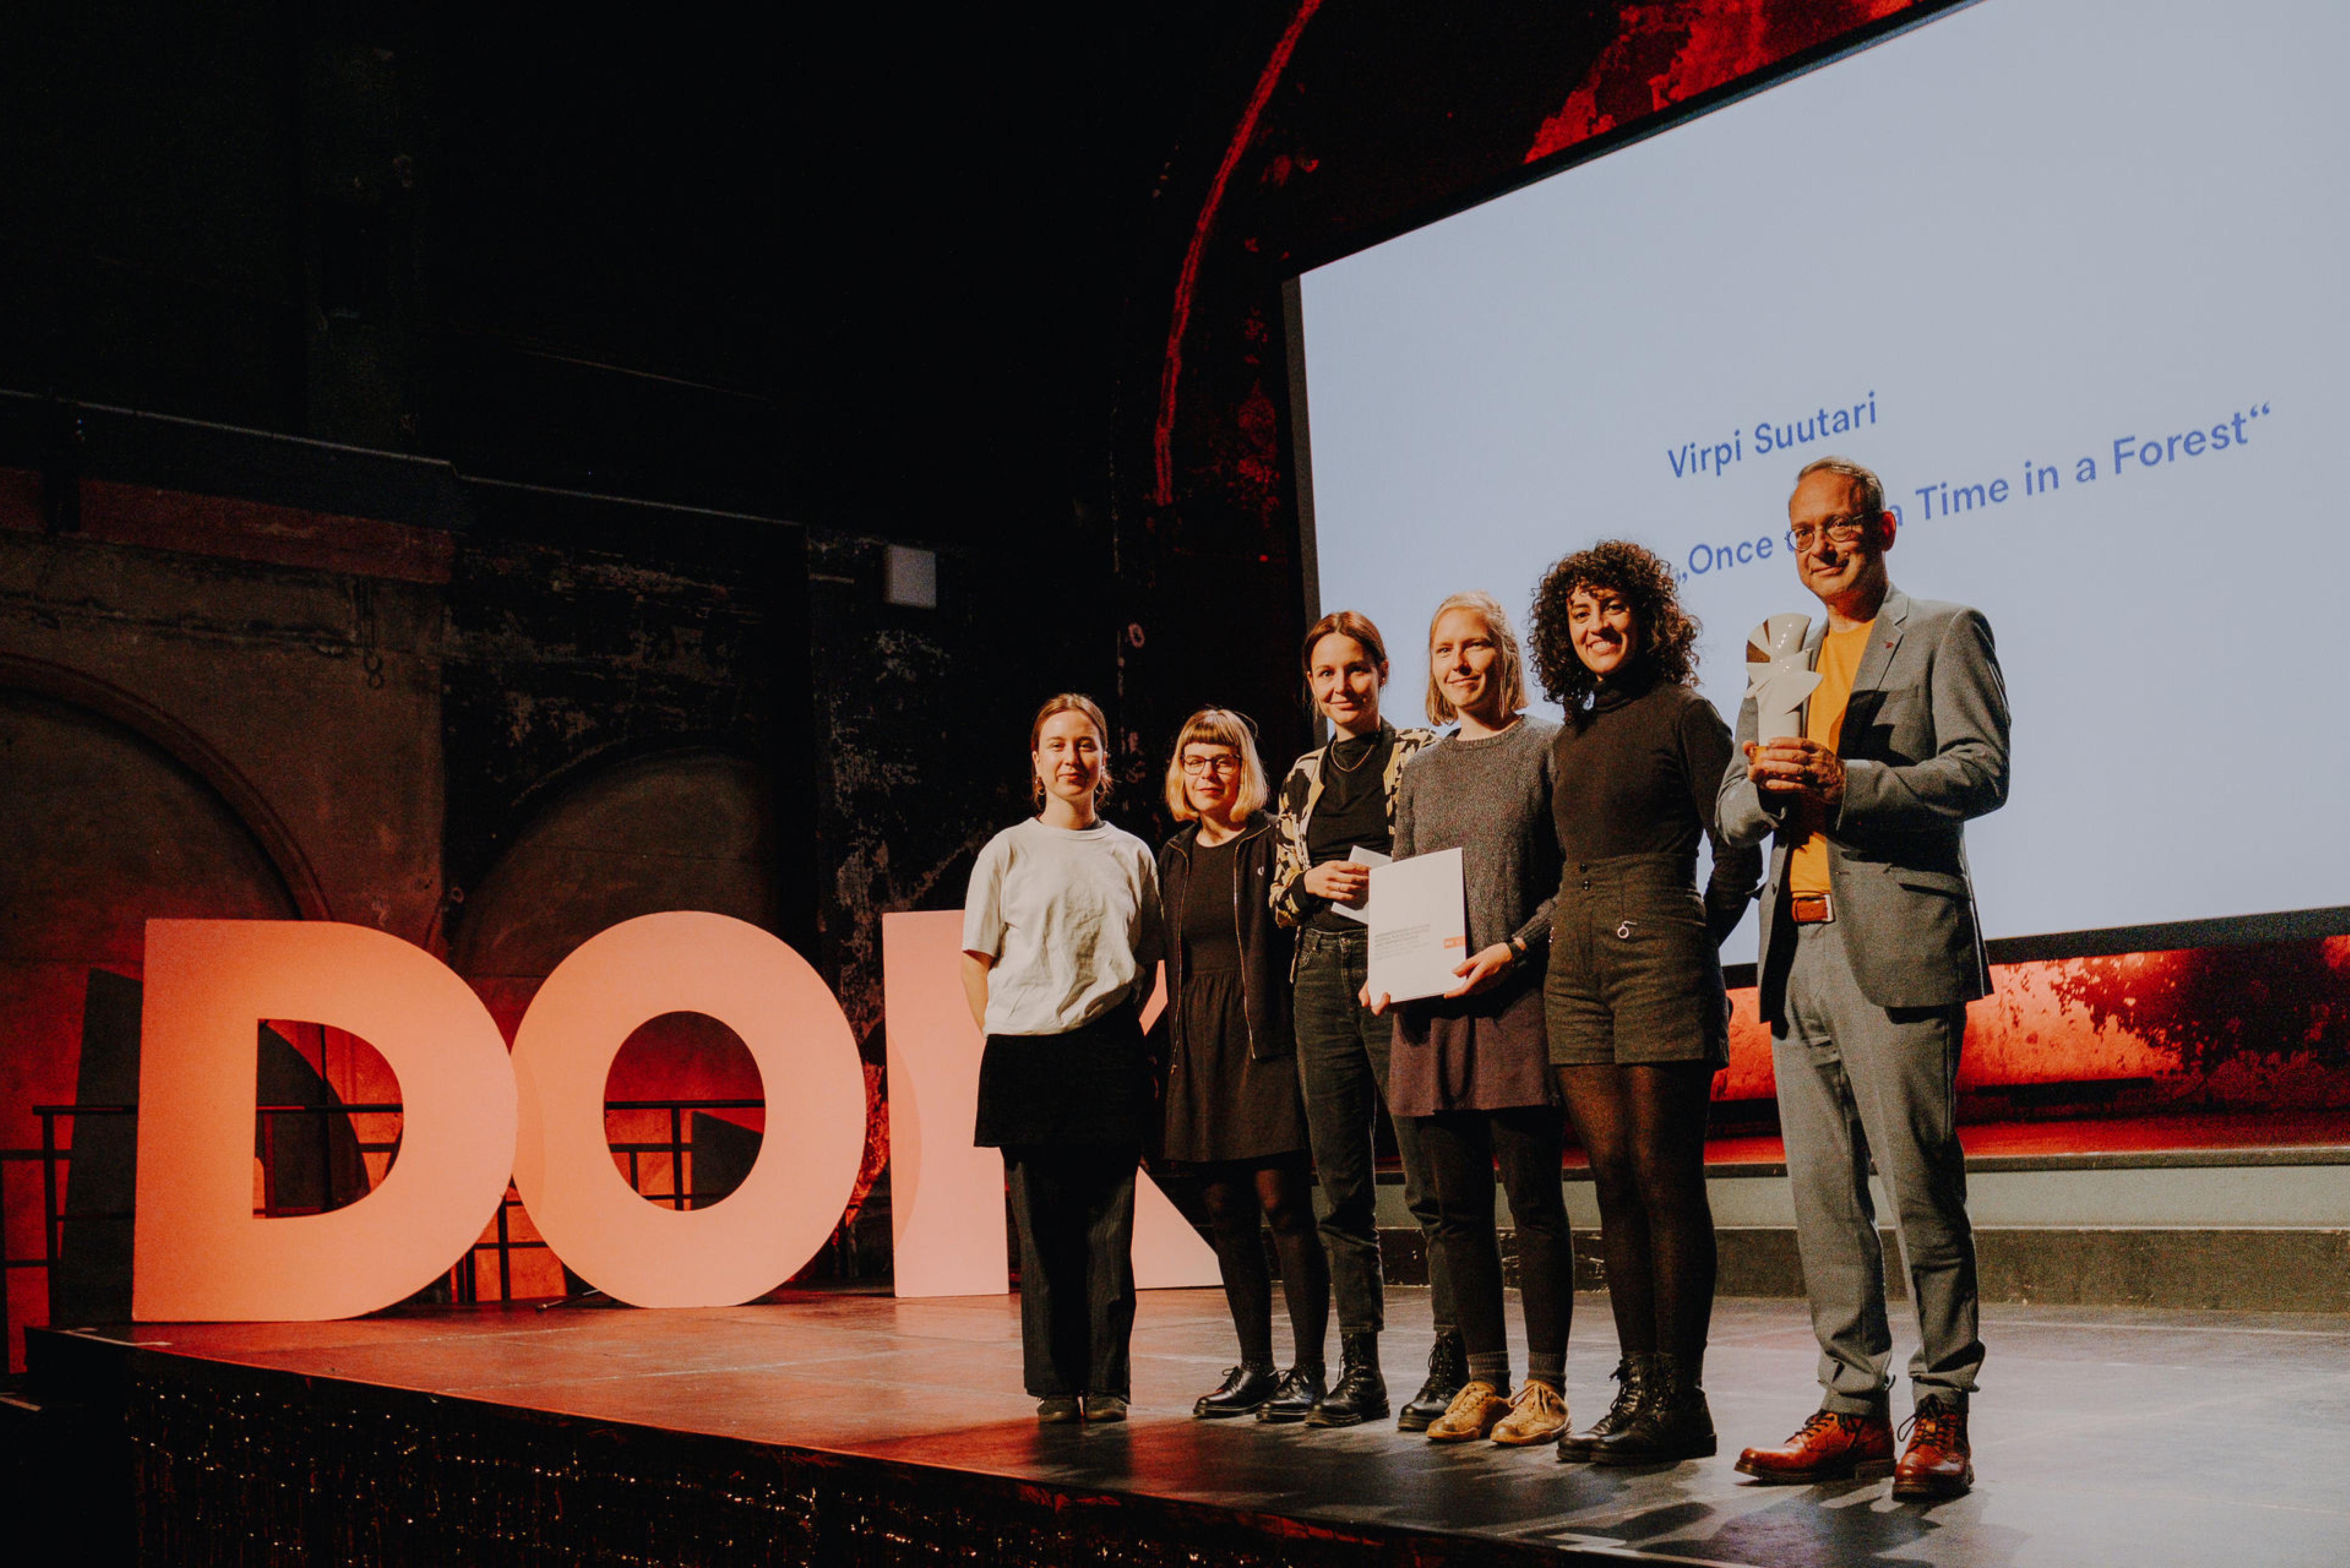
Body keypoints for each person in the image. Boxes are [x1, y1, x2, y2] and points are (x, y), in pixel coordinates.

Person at [1719, 456, 2009, 1500]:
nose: (1819, 547)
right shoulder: (1776, 651)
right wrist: (1757, 791)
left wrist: (1856, 783)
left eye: (1837, 526)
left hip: (1893, 942)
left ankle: (1942, 1406)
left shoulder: (1941, 629)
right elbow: (1726, 809)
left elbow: (1982, 770)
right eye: (1799, 533)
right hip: (1795, 951)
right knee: (1823, 1198)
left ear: (1882, 527)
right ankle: (1851, 1409)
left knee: (1921, 1189)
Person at [1527, 541, 1760, 1466]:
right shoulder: (1570, 736)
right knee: (1612, 1178)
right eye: (1580, 615)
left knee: (1666, 1178)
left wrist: (1704, 928)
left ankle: (1682, 1396)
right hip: (1574, 959)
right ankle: (1636, 1383)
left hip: (1657, 941)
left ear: (1647, 617)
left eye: (1611, 609)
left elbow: (1740, 839)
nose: (1597, 627)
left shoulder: (1687, 715)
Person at [1372, 591, 1574, 1446]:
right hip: (1430, 1014)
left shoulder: (1549, 748)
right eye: (1445, 649)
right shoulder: (1420, 770)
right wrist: (1387, 969)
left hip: (1516, 1001)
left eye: (1476, 646)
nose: (1459, 663)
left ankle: (1546, 1386)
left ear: (1504, 656)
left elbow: (1574, 881)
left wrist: (1519, 948)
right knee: (1455, 1211)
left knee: (1533, 1203)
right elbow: (1409, 885)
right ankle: (1484, 1379)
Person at [1269, 610, 1456, 1429]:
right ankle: (1361, 1368)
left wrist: (1389, 886)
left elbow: (1450, 861)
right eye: (1325, 675)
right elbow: (1279, 894)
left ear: (1381, 671)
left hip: (1401, 966)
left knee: (1429, 1179)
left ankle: (1454, 1361)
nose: (1341, 687)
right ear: (1310, 688)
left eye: (1356, 670)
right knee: (1340, 1188)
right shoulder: (1303, 774)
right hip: (1319, 972)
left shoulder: (1420, 754)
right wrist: (1310, 885)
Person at [962, 693, 1164, 1424]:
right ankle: (1054, 1383)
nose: (1072, 758)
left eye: (1086, 745)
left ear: (1103, 760)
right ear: (1037, 760)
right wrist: (1010, 1032)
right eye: (1058, 745)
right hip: (1026, 1057)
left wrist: (1107, 1030)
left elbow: (1146, 959)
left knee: (1110, 1230)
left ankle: (1108, 1382)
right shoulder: (1007, 851)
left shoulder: (1132, 853)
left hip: (1107, 1051)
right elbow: (976, 959)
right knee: (1043, 1235)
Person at [1154, 708, 1329, 1420]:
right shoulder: (1173, 855)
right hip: (1199, 1042)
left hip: (1264, 1037)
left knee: (1283, 1203)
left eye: (1221, 761)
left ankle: (1311, 1369)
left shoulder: (1272, 841)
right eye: (1195, 762)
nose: (1207, 775)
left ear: (1243, 768)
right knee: (1224, 1209)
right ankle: (1256, 1364)